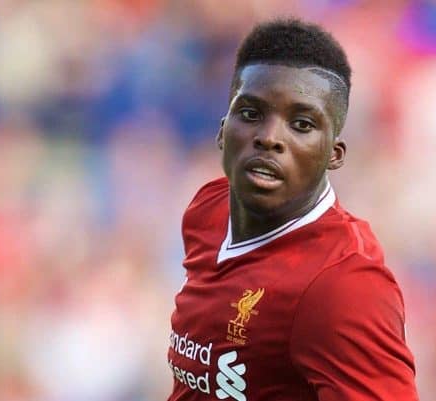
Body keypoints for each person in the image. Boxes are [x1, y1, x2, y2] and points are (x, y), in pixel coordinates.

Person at [167, 18, 419, 401]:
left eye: (301, 124)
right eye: (251, 114)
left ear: (334, 155)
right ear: (222, 130)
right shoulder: (208, 211)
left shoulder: (344, 286)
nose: (269, 138)